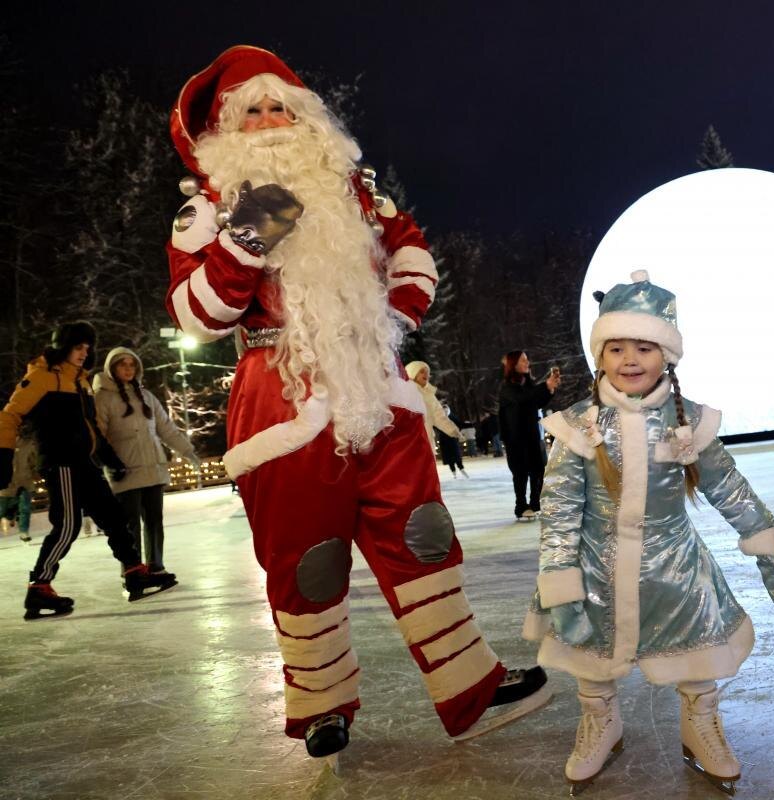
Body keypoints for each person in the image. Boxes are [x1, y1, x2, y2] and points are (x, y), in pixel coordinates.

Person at [165, 46, 548, 758]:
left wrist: (395, 316)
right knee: (306, 559)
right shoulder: (207, 211)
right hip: (281, 402)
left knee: (422, 536)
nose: (271, 120)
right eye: (253, 111)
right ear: (225, 130)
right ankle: (321, 706)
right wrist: (251, 231)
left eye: (281, 107)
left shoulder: (358, 192)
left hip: (377, 385)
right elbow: (199, 315)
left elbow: (412, 252)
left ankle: (470, 684)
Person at [523, 271, 774, 795]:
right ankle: (601, 720)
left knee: (696, 657)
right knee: (591, 659)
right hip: (595, 568)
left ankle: (700, 723)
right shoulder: (579, 425)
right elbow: (559, 510)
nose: (630, 360)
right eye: (616, 348)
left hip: (677, 569)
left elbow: (725, 483)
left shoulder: (689, 423)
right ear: (600, 355)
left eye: (644, 347)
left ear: (666, 355)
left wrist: (759, 533)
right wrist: (560, 581)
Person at [0, 323, 172, 620]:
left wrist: (109, 458)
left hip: (84, 462)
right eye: (78, 347)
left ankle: (134, 572)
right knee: (68, 525)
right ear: (63, 346)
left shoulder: (80, 381)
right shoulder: (41, 377)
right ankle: (39, 586)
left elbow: (90, 426)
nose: (84, 353)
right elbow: (9, 415)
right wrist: (3, 456)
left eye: (87, 348)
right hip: (61, 463)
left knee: (114, 517)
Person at [93, 347, 199, 577]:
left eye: (132, 364)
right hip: (125, 471)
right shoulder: (102, 398)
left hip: (153, 468)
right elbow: (97, 435)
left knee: (154, 521)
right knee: (129, 526)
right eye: (123, 364)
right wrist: (105, 463)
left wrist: (187, 451)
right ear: (112, 368)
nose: (128, 369)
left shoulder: (146, 397)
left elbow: (166, 429)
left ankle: (155, 566)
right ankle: (133, 570)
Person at [498, 351, 560, 520]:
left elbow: (536, 401)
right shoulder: (507, 387)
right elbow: (521, 398)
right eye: (523, 360)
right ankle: (521, 506)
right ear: (514, 364)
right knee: (520, 472)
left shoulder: (528, 383)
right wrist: (544, 385)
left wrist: (549, 389)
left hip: (533, 434)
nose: (527, 362)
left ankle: (535, 503)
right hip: (516, 437)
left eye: (527, 359)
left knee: (538, 469)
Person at [404, 360, 466, 477]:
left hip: (427, 438)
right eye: (422, 371)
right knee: (413, 472)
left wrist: (454, 431)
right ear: (412, 373)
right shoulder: (404, 392)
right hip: (409, 441)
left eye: (427, 372)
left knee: (427, 472)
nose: (426, 374)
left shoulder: (429, 394)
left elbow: (439, 416)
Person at [0, 432, 37, 542]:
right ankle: (9, 516)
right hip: (7, 481)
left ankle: (24, 532)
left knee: (25, 507)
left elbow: (33, 460)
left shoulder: (28, 443)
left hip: (25, 480)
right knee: (2, 509)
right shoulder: (4, 440)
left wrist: (32, 470)